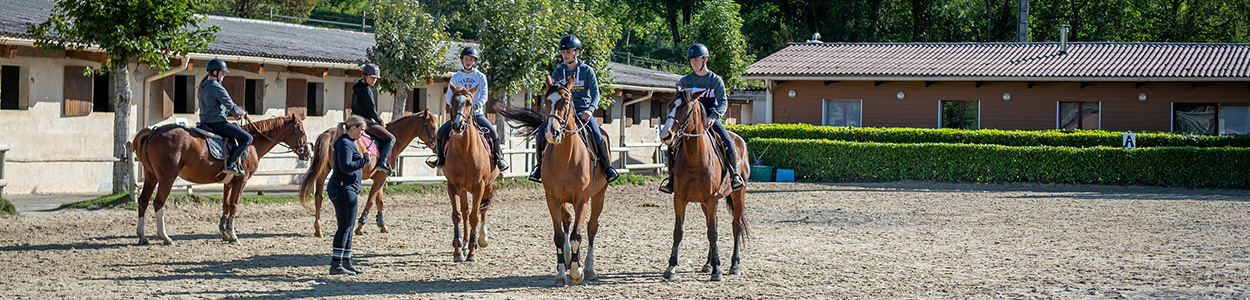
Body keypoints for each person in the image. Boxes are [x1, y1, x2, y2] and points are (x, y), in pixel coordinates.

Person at [528, 34, 618, 183]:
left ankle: (608, 168)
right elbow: (554, 95)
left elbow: (596, 94)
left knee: (598, 135)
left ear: (577, 52)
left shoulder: (587, 71)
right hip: (562, 113)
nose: (565, 55)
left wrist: (590, 110)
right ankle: (539, 167)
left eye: (568, 51)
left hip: (582, 112)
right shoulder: (557, 72)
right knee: (540, 135)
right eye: (563, 52)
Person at [659, 43, 745, 194]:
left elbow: (723, 102)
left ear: (705, 60)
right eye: (691, 61)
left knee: (728, 143)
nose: (693, 63)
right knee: (672, 146)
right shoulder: (685, 81)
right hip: (690, 120)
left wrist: (713, 117)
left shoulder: (715, 80)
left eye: (696, 60)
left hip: (710, 117)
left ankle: (734, 176)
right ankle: (671, 179)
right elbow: (680, 103)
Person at [427, 46, 509, 171]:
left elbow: (484, 96)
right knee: (441, 133)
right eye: (466, 59)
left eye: (471, 59)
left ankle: (498, 159)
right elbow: (449, 97)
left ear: (475, 62)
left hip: (477, 113)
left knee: (494, 134)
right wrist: (457, 106)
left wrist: (475, 106)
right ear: (462, 60)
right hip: (459, 114)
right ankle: (439, 158)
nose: (468, 61)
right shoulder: (455, 77)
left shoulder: (480, 77)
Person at [328, 115, 373, 275]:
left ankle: (346, 261)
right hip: (343, 188)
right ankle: (336, 263)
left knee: (348, 226)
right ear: (353, 128)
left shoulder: (349, 142)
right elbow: (346, 166)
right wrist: (364, 160)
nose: (362, 133)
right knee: (344, 227)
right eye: (361, 129)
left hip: (348, 188)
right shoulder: (345, 144)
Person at [197, 58, 252, 177]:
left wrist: (231, 114)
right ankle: (232, 164)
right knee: (248, 138)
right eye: (223, 72)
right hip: (218, 123)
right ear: (215, 72)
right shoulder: (217, 87)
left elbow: (214, 108)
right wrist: (243, 113)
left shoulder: (203, 86)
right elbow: (231, 106)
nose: (224, 75)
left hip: (205, 122)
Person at [350, 63, 396, 175]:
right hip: (364, 122)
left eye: (375, 78)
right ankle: (382, 163)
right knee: (391, 139)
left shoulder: (356, 88)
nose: (374, 80)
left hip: (352, 119)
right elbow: (372, 110)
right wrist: (380, 121)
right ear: (365, 76)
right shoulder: (366, 90)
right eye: (372, 77)